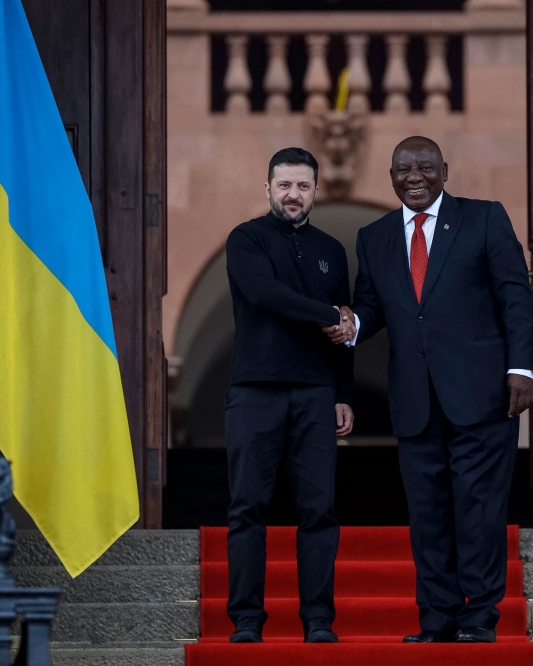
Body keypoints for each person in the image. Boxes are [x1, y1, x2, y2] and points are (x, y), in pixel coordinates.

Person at [333, 136, 533, 644]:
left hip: (482, 395)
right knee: (427, 516)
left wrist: (524, 369)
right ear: (391, 176)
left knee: (479, 509)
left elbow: (515, 296)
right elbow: (373, 307)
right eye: (404, 169)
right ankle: (437, 621)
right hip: (415, 402)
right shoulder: (374, 236)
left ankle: (479, 620)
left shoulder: (484, 217)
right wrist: (353, 325)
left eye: (426, 167)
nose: (415, 177)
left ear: (445, 170)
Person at [224, 147, 358, 644]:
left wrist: (343, 393)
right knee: (247, 507)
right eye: (284, 185)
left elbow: (344, 332)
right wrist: (328, 314)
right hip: (254, 391)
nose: (293, 195)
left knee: (319, 509)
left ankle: (319, 621)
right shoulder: (246, 238)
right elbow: (265, 294)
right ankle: (246, 621)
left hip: (316, 394)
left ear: (316, 191)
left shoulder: (331, 249)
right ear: (268, 189)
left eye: (303, 186)